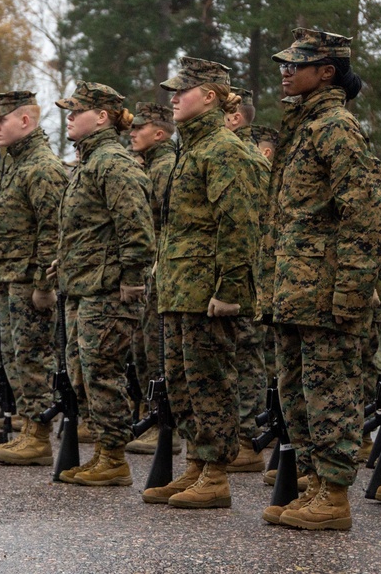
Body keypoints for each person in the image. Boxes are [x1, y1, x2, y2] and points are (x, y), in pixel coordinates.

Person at [259, 28, 381, 530]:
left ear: (327, 72)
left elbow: (367, 215)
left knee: (330, 391)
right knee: (297, 391)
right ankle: (313, 484)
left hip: (326, 293)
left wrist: (351, 292)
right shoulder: (302, 127)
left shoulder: (335, 126)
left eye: (298, 64)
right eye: (285, 64)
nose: (286, 71)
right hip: (295, 291)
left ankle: (334, 495)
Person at [142, 59, 260, 508]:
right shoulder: (190, 150)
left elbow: (239, 226)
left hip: (207, 292)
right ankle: (196, 463)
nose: (172, 98)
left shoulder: (223, 149)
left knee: (211, 381)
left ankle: (216, 473)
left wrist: (230, 289)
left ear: (209, 95)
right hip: (180, 288)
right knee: (183, 382)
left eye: (182, 91)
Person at [50, 81, 155, 487]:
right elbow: (91, 228)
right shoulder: (90, 163)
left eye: (77, 111)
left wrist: (132, 279)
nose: (70, 118)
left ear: (102, 116)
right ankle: (103, 453)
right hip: (83, 285)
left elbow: (137, 229)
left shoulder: (113, 163)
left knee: (101, 372)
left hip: (109, 289)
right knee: (81, 374)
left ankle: (113, 457)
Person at [0, 90, 68, 465]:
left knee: (32, 358)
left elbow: (52, 230)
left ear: (26, 121)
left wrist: (44, 284)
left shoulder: (42, 166)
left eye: (2, 120)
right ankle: (28, 428)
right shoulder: (14, 163)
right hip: (8, 276)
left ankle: (38, 434)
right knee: (14, 357)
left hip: (27, 280)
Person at [123, 102, 177, 457]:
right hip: (152, 271)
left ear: (158, 133)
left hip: (161, 270)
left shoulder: (165, 167)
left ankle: (162, 426)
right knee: (145, 349)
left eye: (139, 128)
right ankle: (151, 419)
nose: (132, 133)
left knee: (157, 350)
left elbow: (159, 223)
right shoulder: (152, 165)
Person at [223, 87, 271, 474]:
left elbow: (248, 225)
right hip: (234, 273)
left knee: (245, 358)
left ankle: (247, 438)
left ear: (236, 117)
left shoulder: (244, 158)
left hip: (247, 275)